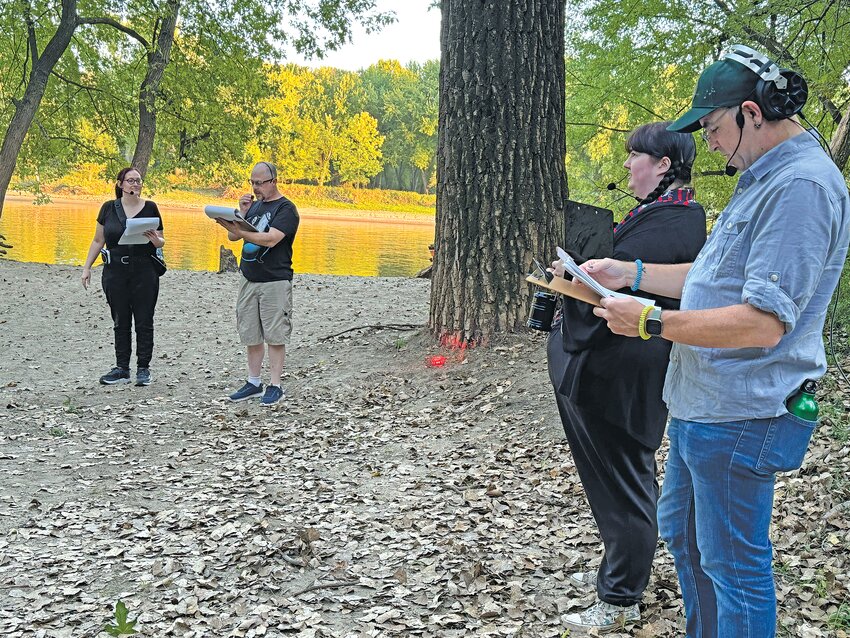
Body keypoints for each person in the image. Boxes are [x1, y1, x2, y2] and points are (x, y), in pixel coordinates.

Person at [582, 44, 850, 637]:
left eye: (712, 127)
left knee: (735, 568)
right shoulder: (760, 178)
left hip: (741, 413)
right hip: (703, 406)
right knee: (684, 535)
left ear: (752, 113)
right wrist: (630, 274)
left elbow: (763, 321)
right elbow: (712, 277)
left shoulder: (802, 188)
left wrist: (651, 322)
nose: (708, 142)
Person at [548, 122, 706, 632]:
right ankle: (619, 578)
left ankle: (620, 599)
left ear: (663, 164)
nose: (626, 164)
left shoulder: (677, 220)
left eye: (634, 155)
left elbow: (629, 296)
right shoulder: (656, 215)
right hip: (607, 374)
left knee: (624, 488)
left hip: (623, 380)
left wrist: (579, 280)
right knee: (612, 484)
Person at [217, 161, 300, 406]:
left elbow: (271, 239)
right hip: (249, 278)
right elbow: (233, 236)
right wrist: (240, 214)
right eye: (252, 183)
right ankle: (254, 382)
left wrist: (241, 232)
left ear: (273, 181)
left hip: (275, 280)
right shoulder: (254, 206)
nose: (255, 188)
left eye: (260, 183)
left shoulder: (287, 209)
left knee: (275, 335)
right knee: (251, 333)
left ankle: (275, 385)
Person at [81, 167, 165, 386]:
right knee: (120, 320)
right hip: (115, 272)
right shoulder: (108, 208)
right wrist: (87, 267)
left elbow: (161, 241)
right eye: (130, 181)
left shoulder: (150, 208)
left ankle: (143, 369)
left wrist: (155, 240)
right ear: (120, 184)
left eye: (138, 181)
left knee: (144, 320)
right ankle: (122, 368)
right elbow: (98, 241)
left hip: (144, 271)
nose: (135, 184)